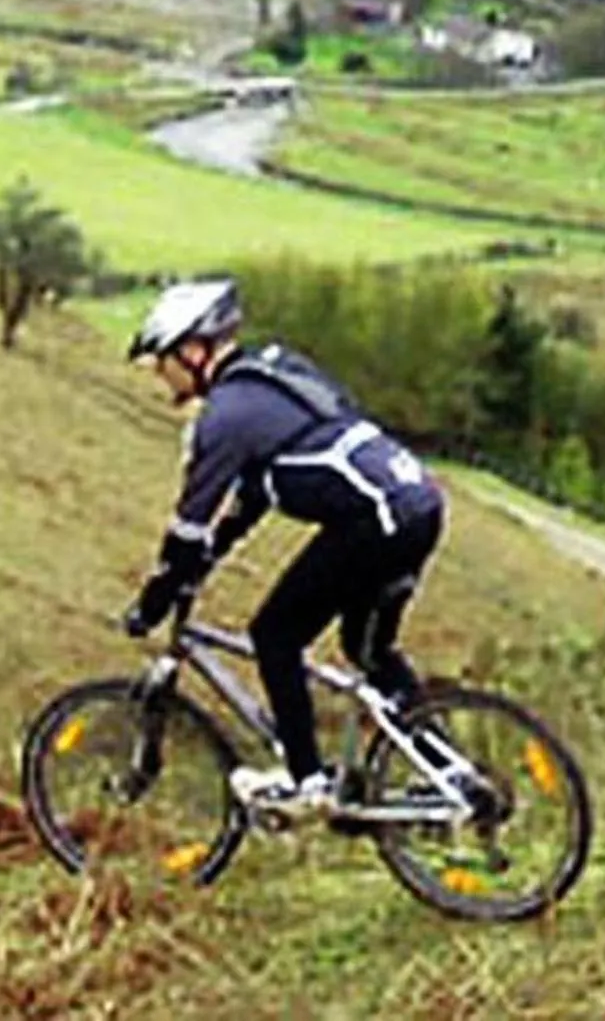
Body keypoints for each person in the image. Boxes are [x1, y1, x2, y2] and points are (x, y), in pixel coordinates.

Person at [122, 279, 446, 820]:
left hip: (376, 520)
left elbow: (189, 524)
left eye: (162, 359)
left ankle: (308, 781)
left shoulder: (224, 416)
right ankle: (453, 775)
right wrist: (205, 563)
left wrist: (155, 600)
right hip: (418, 504)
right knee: (369, 651)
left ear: (194, 349)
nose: (160, 373)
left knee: (275, 634)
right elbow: (245, 505)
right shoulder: (274, 374)